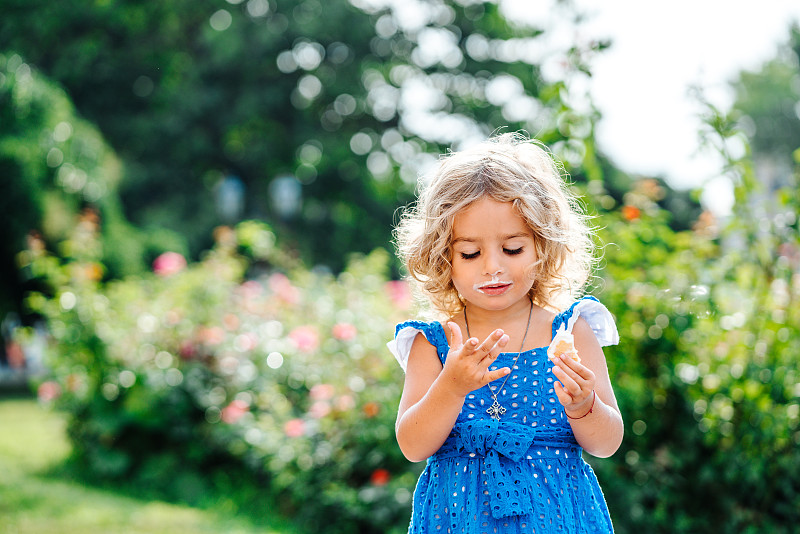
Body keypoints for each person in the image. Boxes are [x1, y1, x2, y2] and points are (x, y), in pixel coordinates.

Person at [388, 132, 623, 533]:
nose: (492, 266)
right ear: (443, 257)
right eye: (470, 253)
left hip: (556, 519)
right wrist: (451, 386)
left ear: (542, 247)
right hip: (459, 520)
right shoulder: (433, 343)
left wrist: (584, 405)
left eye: (512, 249)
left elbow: (606, 442)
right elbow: (412, 445)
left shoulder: (569, 329)